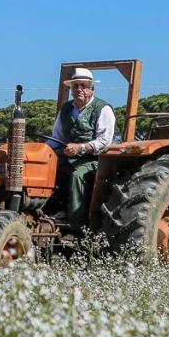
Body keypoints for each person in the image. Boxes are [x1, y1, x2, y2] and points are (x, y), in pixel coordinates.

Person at [46, 67, 116, 227]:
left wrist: (81, 148)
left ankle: (76, 225)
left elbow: (104, 141)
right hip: (68, 156)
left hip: (94, 159)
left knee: (78, 175)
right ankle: (48, 212)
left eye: (83, 85)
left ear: (92, 88)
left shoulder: (103, 109)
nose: (79, 89)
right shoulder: (66, 109)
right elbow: (56, 138)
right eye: (75, 86)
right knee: (47, 169)